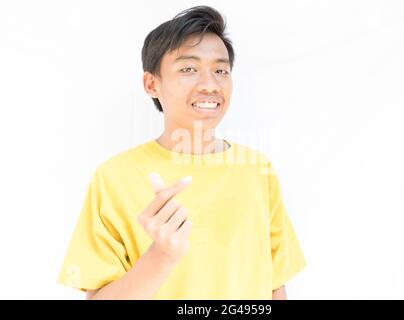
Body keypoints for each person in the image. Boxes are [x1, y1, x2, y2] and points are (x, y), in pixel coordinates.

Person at [57, 5, 307, 300]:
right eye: (189, 69)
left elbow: (275, 285)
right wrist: (161, 255)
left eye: (221, 70)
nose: (210, 85)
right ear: (152, 84)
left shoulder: (257, 169)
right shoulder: (113, 177)